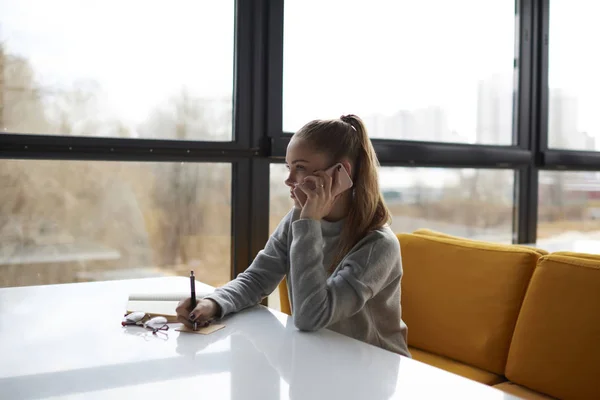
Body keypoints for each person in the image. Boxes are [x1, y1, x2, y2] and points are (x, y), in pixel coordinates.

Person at [176, 114, 410, 358]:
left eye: (300, 168)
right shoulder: (297, 221)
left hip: (374, 370)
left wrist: (309, 222)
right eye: (289, 168)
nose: (288, 180)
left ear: (341, 173)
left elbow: (311, 316)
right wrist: (213, 303)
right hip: (321, 356)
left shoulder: (377, 245)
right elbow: (257, 279)